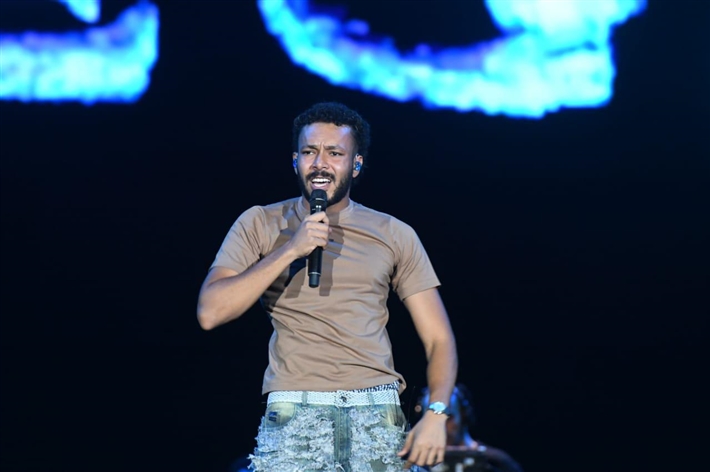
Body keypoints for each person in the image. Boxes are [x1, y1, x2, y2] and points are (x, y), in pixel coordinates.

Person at [197, 101, 458, 471]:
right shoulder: (260, 222)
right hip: (296, 416)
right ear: (295, 161)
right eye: (309, 152)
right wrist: (291, 249)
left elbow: (439, 339)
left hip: (375, 416)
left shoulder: (393, 233)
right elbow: (210, 312)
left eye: (335, 153)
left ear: (356, 164)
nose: (320, 164)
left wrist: (436, 413)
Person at [414, 385, 525, 472]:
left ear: (464, 415)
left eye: (448, 418)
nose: (440, 427)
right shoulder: (417, 463)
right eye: (432, 420)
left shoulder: (496, 462)